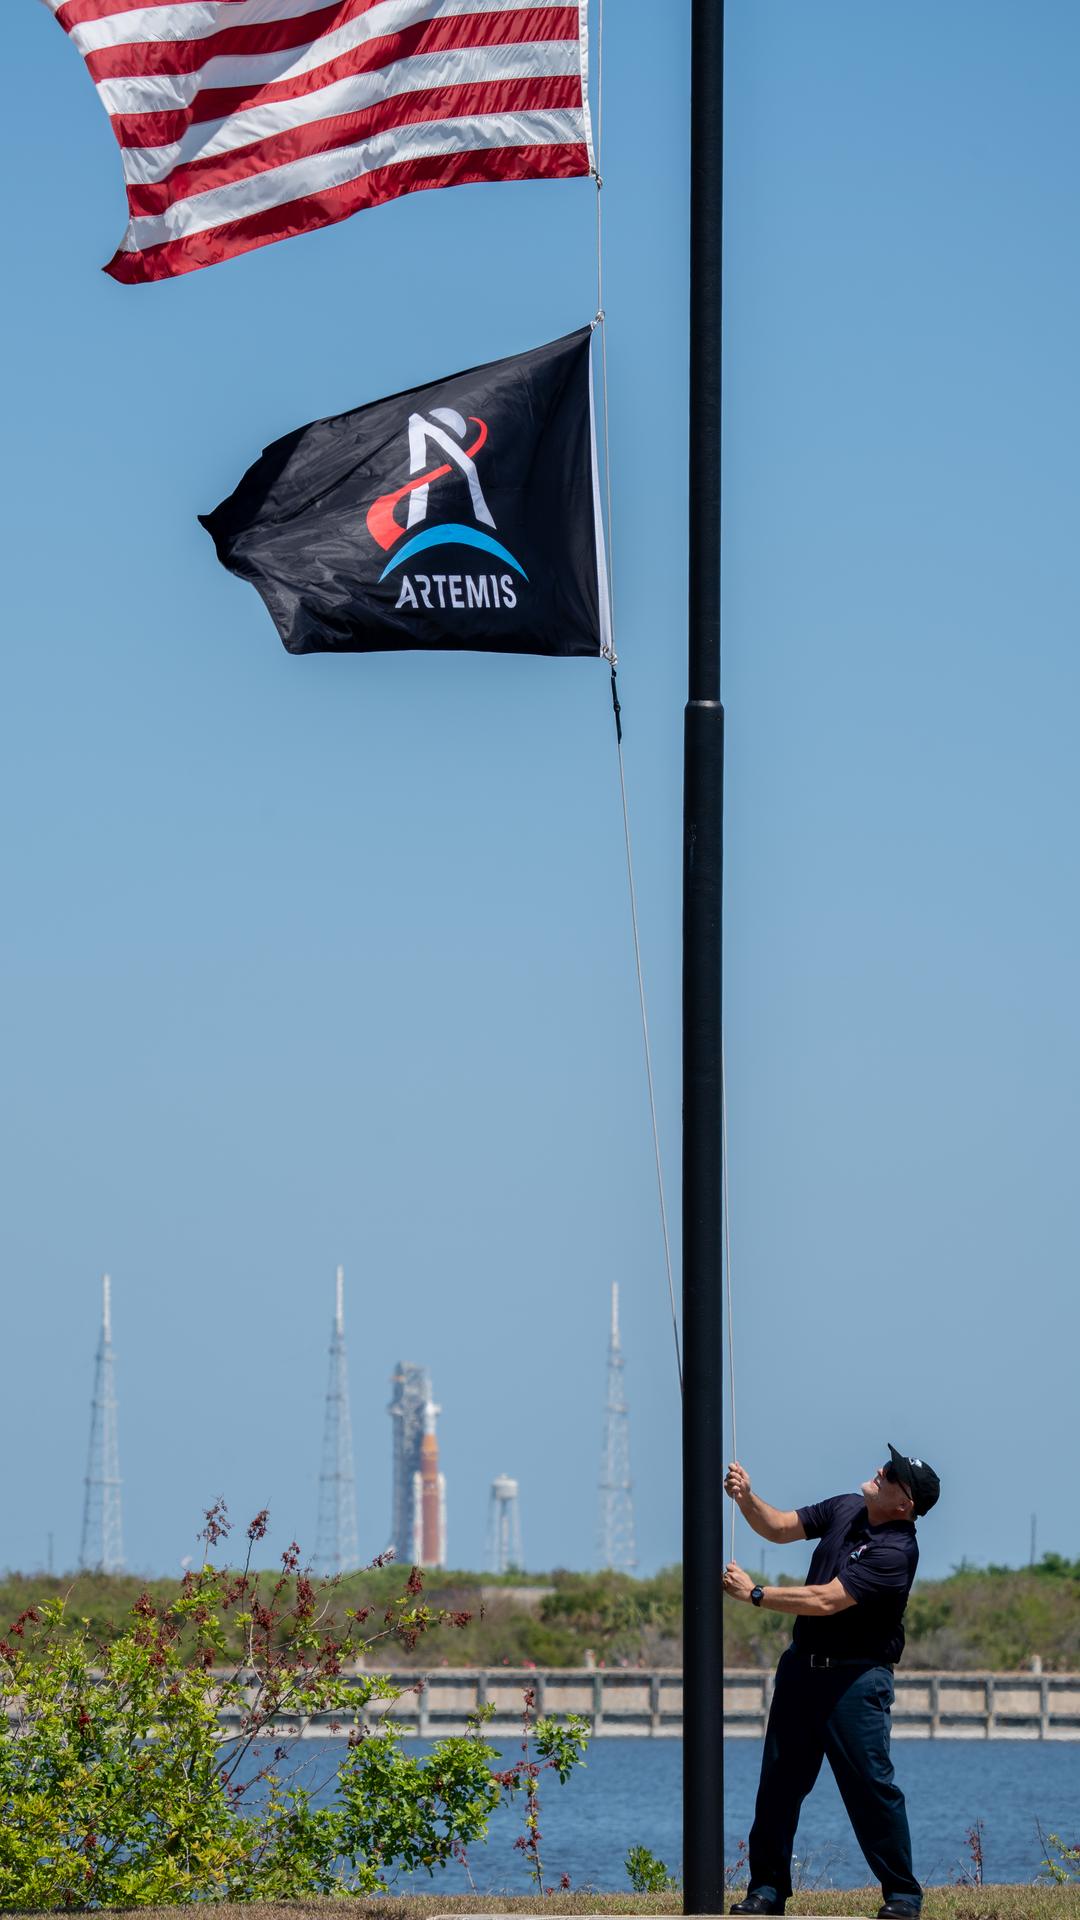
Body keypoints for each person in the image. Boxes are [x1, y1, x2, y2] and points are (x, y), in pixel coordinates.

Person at [721, 1445, 941, 1919]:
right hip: (802, 1671)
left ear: (906, 1504)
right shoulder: (847, 1507)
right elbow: (779, 1526)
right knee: (778, 1787)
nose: (881, 1471)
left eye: (893, 1475)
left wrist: (756, 1594)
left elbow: (825, 1600)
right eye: (888, 1466)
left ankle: (902, 1896)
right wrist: (746, 1499)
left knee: (871, 1789)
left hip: (856, 1682)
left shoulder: (896, 1552)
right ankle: (767, 1890)